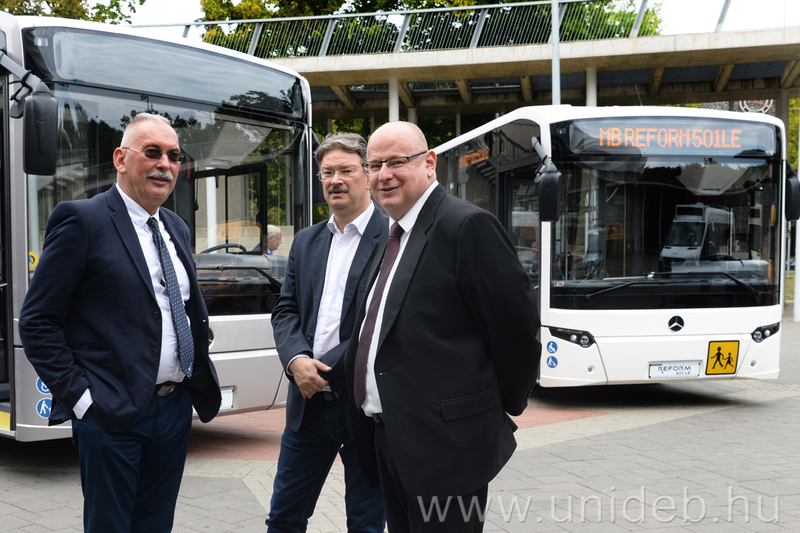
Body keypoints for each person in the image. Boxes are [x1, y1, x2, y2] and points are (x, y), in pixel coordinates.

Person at [18, 113, 221, 533]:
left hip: (173, 409)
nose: (165, 164)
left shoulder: (176, 227)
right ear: (120, 159)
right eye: (152, 152)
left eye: (174, 155)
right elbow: (37, 322)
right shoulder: (82, 220)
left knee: (156, 525)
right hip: (110, 413)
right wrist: (82, 400)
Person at [345, 121, 541, 532]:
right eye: (375, 165)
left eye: (397, 162)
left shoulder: (465, 226)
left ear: (429, 163)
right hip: (391, 439)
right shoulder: (393, 235)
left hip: (448, 448)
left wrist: (490, 409)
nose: (383, 175)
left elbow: (516, 330)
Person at [267, 132, 387, 533]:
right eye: (327, 172)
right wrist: (296, 361)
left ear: (367, 174)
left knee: (366, 523)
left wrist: (320, 369)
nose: (335, 180)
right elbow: (285, 310)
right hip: (308, 406)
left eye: (346, 170)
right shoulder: (306, 241)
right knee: (283, 518)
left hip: (366, 406)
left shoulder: (393, 238)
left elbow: (383, 323)